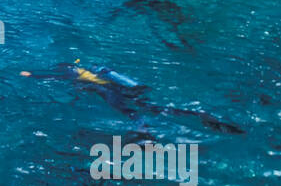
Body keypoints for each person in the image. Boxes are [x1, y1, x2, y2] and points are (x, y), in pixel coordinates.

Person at [20, 62, 244, 134]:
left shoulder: (74, 77)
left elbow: (53, 78)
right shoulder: (93, 72)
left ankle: (143, 130)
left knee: (128, 112)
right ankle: (197, 114)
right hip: (118, 88)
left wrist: (32, 75)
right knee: (154, 107)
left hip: (109, 93)